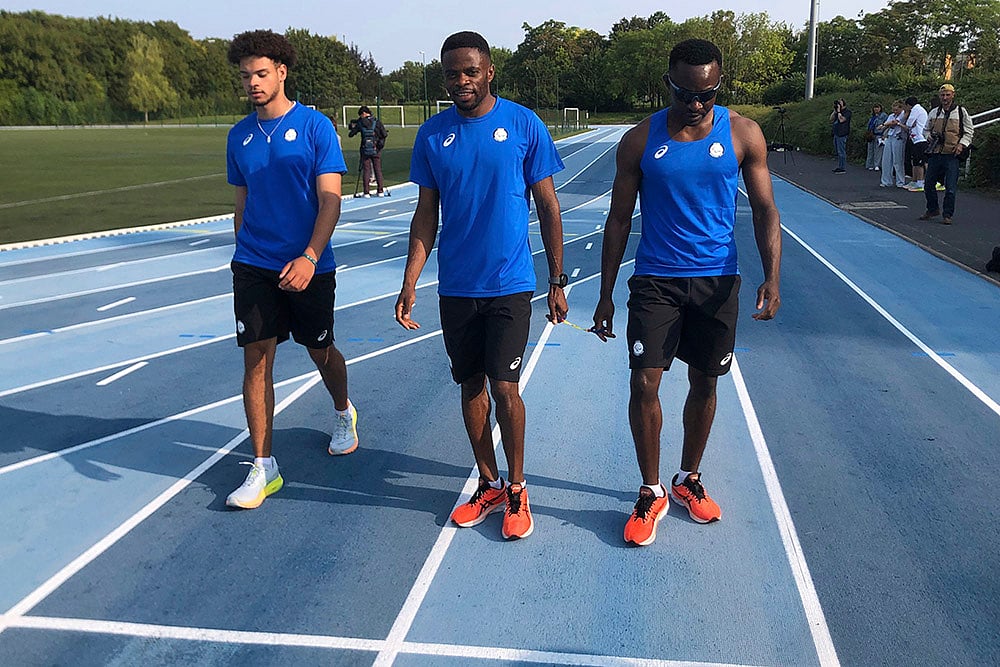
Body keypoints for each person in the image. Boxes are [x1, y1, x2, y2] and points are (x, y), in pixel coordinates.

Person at [592, 38, 782, 547]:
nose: (697, 103)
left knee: (705, 383)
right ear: (668, 83)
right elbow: (617, 219)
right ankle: (651, 490)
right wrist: (605, 293)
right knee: (645, 384)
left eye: (709, 93)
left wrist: (772, 275)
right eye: (686, 93)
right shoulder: (638, 140)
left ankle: (688, 479)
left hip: (718, 282)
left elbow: (765, 210)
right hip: (656, 280)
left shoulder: (743, 133)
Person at [394, 31, 567, 540]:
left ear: (490, 70)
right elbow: (426, 216)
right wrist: (411, 281)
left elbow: (549, 207)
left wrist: (557, 279)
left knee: (504, 386)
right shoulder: (432, 135)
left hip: (511, 282)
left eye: (470, 71)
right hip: (457, 287)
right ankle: (488, 484)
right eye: (452, 73)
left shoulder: (522, 124)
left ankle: (517, 486)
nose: (461, 81)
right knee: (470, 385)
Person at [224, 30, 359, 509]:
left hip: (309, 264)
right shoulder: (238, 136)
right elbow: (241, 203)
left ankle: (343, 411)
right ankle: (264, 466)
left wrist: (309, 256)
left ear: (281, 72)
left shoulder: (316, 127)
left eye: (260, 73)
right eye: (245, 76)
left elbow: (330, 200)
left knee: (319, 349)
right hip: (254, 266)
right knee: (256, 358)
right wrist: (246, 252)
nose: (252, 83)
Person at [919, 83, 974, 225]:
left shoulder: (961, 112)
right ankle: (932, 209)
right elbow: (925, 130)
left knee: (950, 187)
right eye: (942, 95)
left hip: (952, 154)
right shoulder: (933, 112)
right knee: (928, 184)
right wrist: (928, 137)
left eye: (947, 95)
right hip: (935, 153)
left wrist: (962, 144)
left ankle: (947, 214)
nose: (945, 98)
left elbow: (969, 131)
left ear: (953, 95)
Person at [348, 106, 389, 197]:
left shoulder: (360, 122)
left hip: (365, 149)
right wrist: (380, 145)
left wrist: (353, 127)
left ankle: (366, 192)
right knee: (377, 169)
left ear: (363, 113)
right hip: (376, 149)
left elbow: (351, 134)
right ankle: (380, 191)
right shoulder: (376, 122)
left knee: (366, 170)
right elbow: (384, 134)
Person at [878, 100, 908, 188]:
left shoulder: (903, 115)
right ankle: (886, 181)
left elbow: (893, 123)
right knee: (886, 160)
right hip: (890, 137)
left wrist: (883, 124)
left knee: (898, 161)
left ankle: (900, 181)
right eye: (893, 110)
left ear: (901, 108)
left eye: (896, 110)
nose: (895, 112)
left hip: (898, 138)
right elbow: (889, 124)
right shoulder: (891, 115)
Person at [903, 96, 929, 191]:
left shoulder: (916, 110)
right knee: (915, 161)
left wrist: (909, 121)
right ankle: (915, 181)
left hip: (920, 138)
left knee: (920, 161)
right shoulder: (918, 109)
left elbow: (909, 124)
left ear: (908, 105)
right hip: (915, 139)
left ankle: (920, 182)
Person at [830, 98, 851, 173]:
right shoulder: (837, 112)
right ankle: (839, 166)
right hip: (836, 133)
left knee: (841, 151)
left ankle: (842, 167)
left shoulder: (847, 112)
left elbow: (842, 120)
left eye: (840, 103)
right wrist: (835, 111)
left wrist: (839, 111)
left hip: (842, 133)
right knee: (837, 151)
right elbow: (831, 119)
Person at [865, 103, 888, 171]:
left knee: (878, 151)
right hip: (871, 134)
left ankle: (877, 164)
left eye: (877, 107)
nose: (876, 109)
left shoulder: (884, 116)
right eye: (875, 107)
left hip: (879, 134)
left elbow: (886, 125)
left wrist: (885, 134)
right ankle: (870, 164)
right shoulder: (872, 116)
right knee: (870, 150)